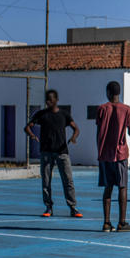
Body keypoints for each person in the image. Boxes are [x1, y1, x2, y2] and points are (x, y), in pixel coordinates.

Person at [24, 89, 82, 218]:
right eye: (47, 100)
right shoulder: (41, 114)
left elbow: (76, 128)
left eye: (50, 99)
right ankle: (48, 207)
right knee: (46, 181)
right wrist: (32, 135)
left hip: (62, 153)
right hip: (46, 153)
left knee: (68, 180)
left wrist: (73, 137)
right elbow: (27, 127)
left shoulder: (64, 115)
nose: (48, 102)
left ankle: (73, 207)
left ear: (56, 100)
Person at [96, 81, 130, 232]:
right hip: (120, 153)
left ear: (108, 92)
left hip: (105, 154)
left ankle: (106, 223)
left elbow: (99, 131)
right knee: (122, 186)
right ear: (118, 93)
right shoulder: (127, 110)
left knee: (108, 188)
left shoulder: (102, 109)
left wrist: (99, 151)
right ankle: (122, 222)